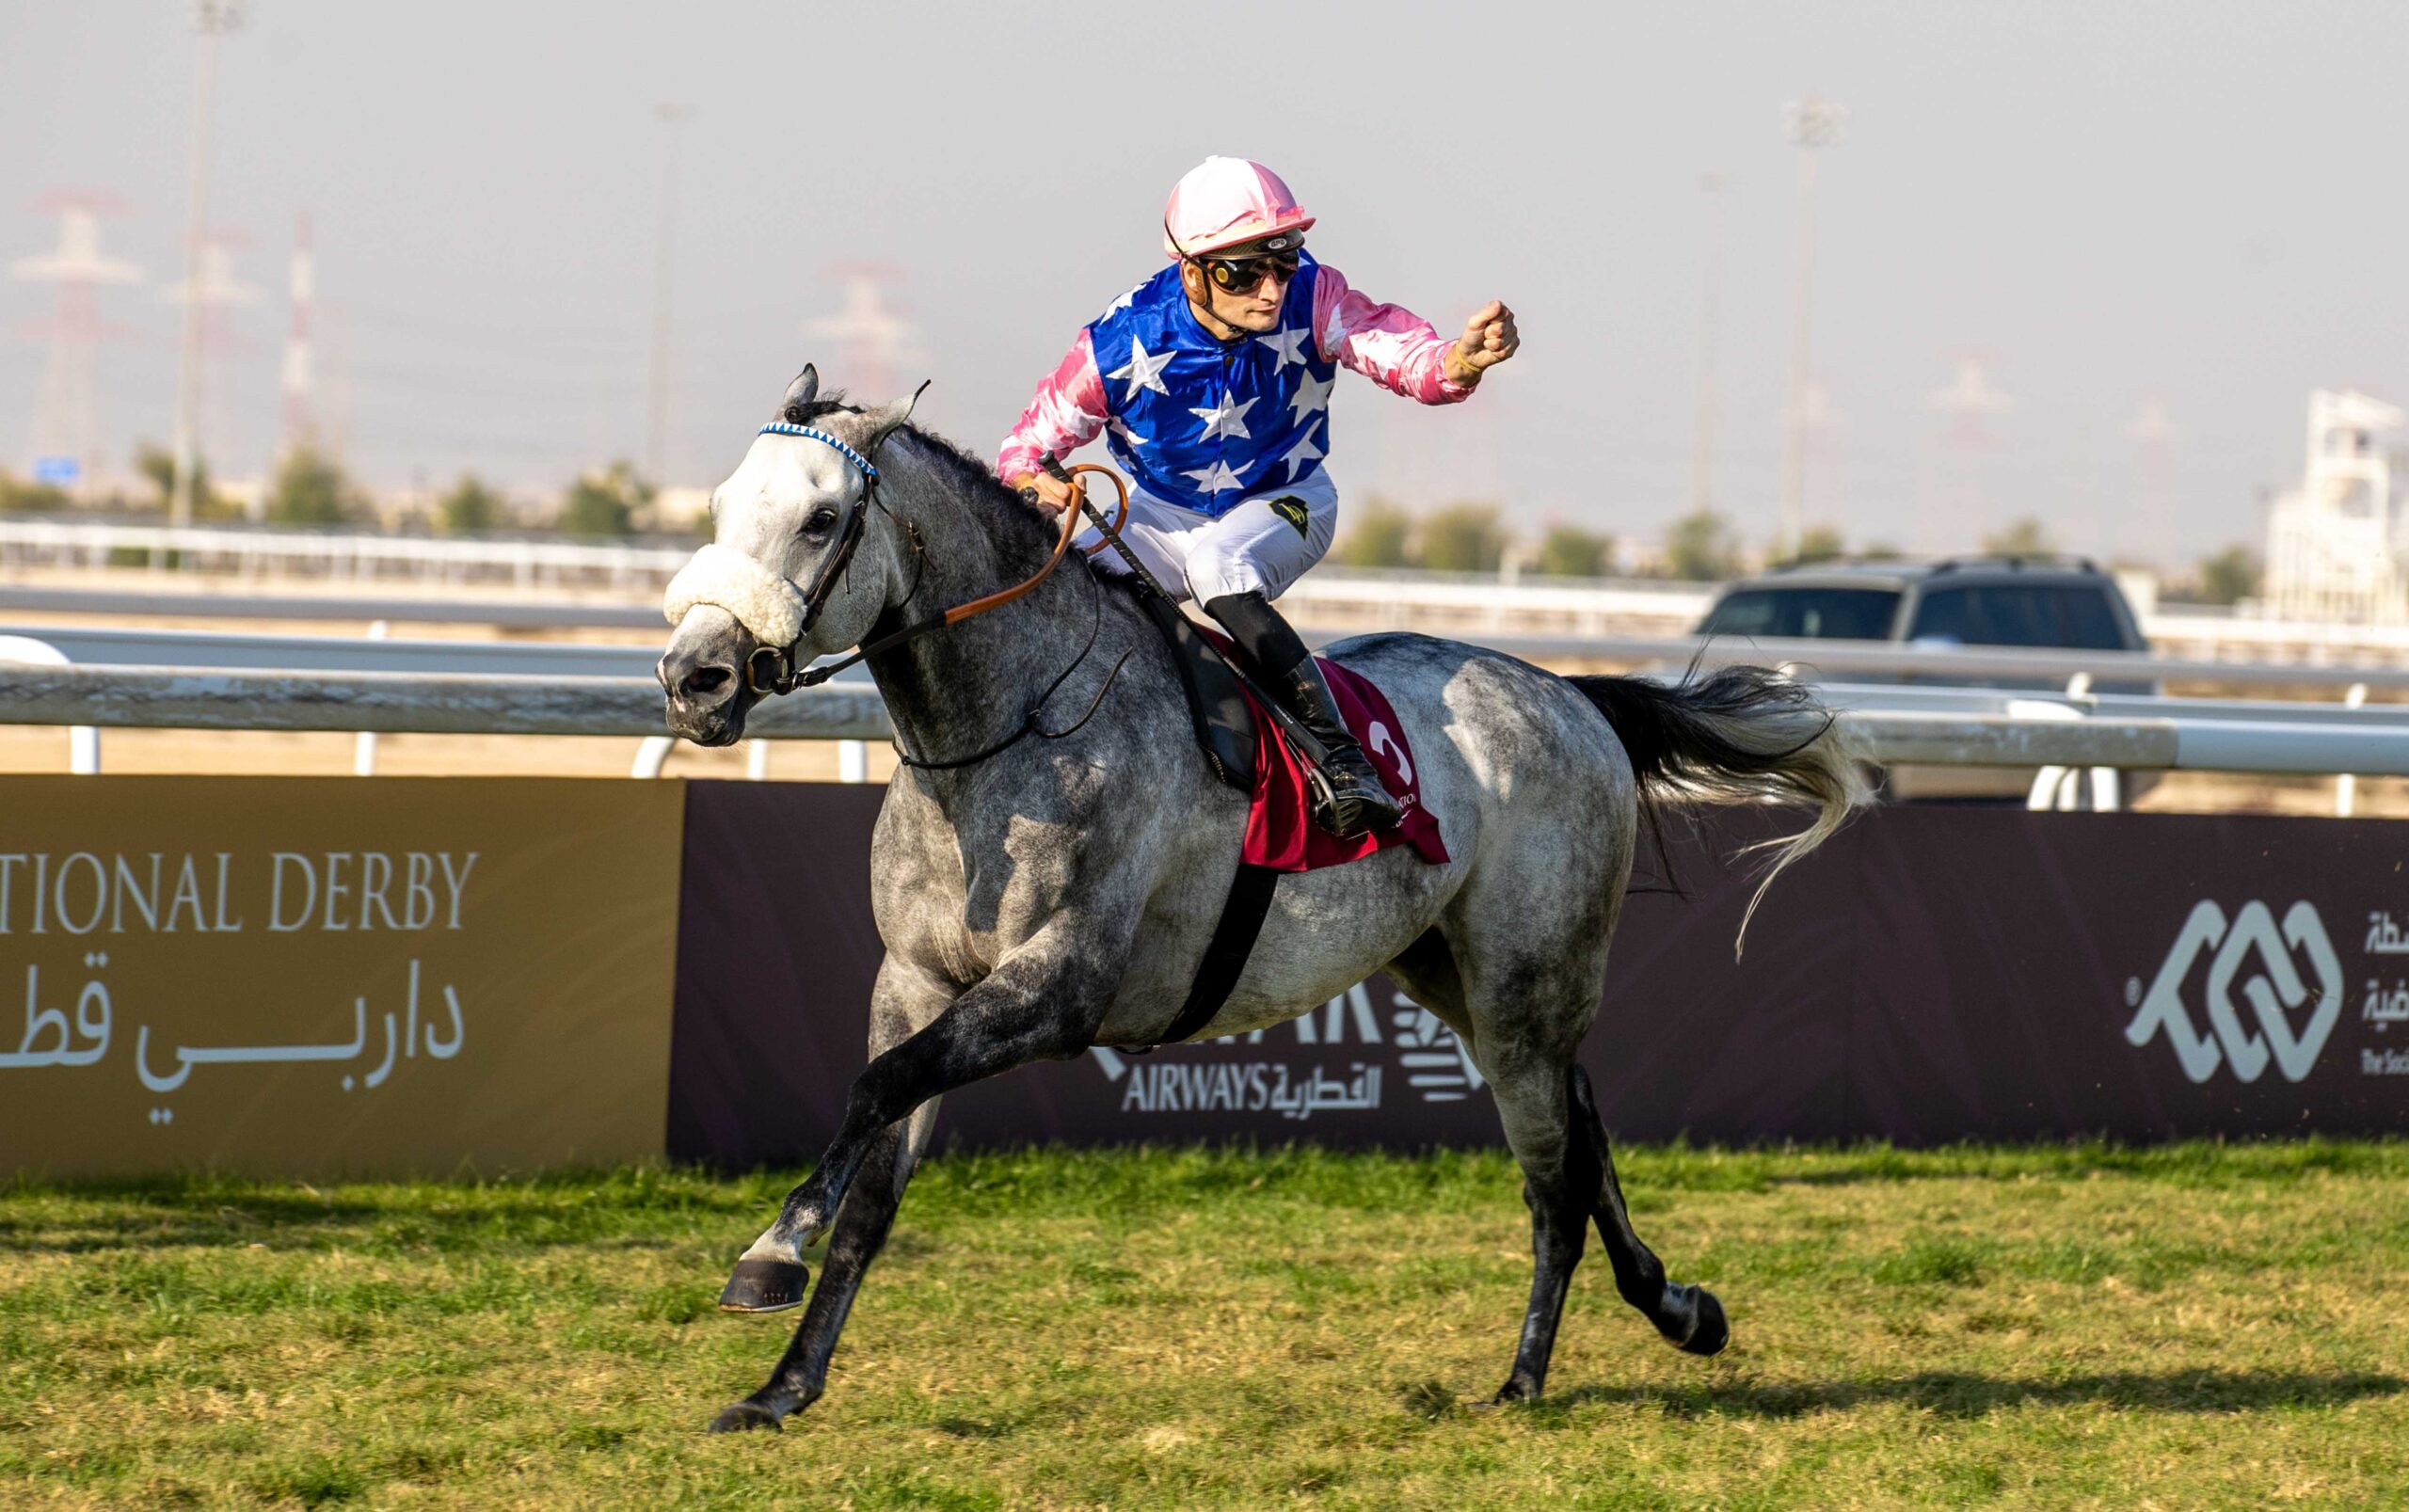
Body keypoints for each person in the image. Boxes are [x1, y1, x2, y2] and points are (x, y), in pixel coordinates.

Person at [997, 156, 1519, 838]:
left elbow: (1408, 362)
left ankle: (1343, 757)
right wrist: (1043, 483)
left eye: (1284, 262)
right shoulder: (1116, 343)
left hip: (1287, 499)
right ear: (1192, 272)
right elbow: (1019, 455)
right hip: (1156, 516)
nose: (1272, 290)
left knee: (1218, 568)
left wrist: (1461, 361)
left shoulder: (1317, 297)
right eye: (1244, 273)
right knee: (1054, 575)